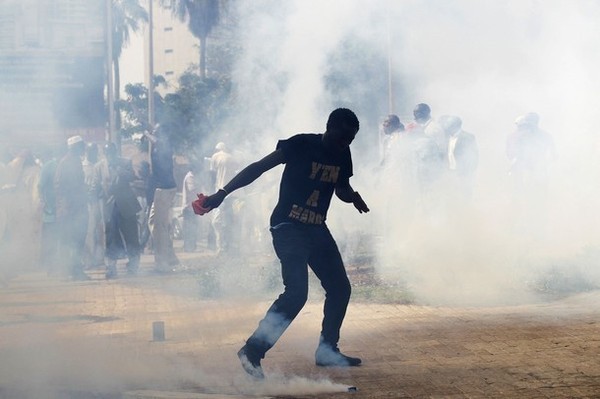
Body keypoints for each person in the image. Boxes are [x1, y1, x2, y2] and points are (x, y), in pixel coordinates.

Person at [196, 108, 370, 379]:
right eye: (341, 137)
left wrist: (353, 196)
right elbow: (259, 167)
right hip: (288, 227)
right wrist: (223, 192)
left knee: (340, 288)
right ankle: (252, 350)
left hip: (316, 228)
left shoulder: (343, 153)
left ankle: (327, 351)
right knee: (297, 292)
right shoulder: (301, 143)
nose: (344, 144)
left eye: (350, 140)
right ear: (329, 127)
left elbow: (341, 187)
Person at [94, 142, 142, 279]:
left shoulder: (125, 163)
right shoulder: (98, 167)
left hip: (126, 205)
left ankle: (134, 265)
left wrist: (122, 172)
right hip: (109, 207)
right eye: (108, 153)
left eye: (113, 153)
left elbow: (132, 177)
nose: (111, 156)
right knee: (110, 237)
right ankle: (111, 268)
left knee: (131, 236)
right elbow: (96, 186)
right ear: (105, 154)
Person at [145, 125, 180, 272]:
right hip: (163, 189)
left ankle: (162, 264)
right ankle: (170, 256)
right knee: (155, 223)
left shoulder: (163, 145)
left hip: (164, 189)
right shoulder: (160, 145)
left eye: (156, 131)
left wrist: (147, 134)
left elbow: (156, 140)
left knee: (159, 227)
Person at [54, 135, 90, 280]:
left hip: (77, 208)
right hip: (70, 209)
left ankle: (74, 270)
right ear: (75, 147)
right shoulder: (66, 162)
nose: (84, 149)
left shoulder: (75, 161)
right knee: (70, 241)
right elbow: (59, 186)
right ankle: (69, 271)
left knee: (77, 241)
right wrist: (66, 206)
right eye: (82, 146)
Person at [438, 115, 479, 200]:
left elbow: (474, 156)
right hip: (450, 172)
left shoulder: (468, 137)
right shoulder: (447, 138)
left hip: (463, 174)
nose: (446, 128)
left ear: (456, 126)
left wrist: (467, 172)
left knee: (464, 196)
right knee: (451, 196)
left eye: (449, 126)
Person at [209, 142, 239, 255]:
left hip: (219, 193)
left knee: (216, 221)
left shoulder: (215, 157)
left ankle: (221, 249)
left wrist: (211, 190)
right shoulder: (232, 158)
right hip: (230, 193)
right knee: (229, 221)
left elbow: (211, 175)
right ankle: (228, 247)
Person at [82, 143, 105, 269]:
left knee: (101, 231)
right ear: (87, 152)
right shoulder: (83, 166)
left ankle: (100, 258)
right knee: (89, 231)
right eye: (91, 151)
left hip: (100, 201)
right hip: (88, 203)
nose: (93, 153)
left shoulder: (101, 165)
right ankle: (88, 260)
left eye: (95, 151)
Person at [181, 160, 200, 252]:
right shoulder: (190, 177)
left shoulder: (190, 176)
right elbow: (192, 190)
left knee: (191, 228)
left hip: (191, 207)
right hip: (190, 207)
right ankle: (190, 248)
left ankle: (190, 247)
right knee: (190, 228)